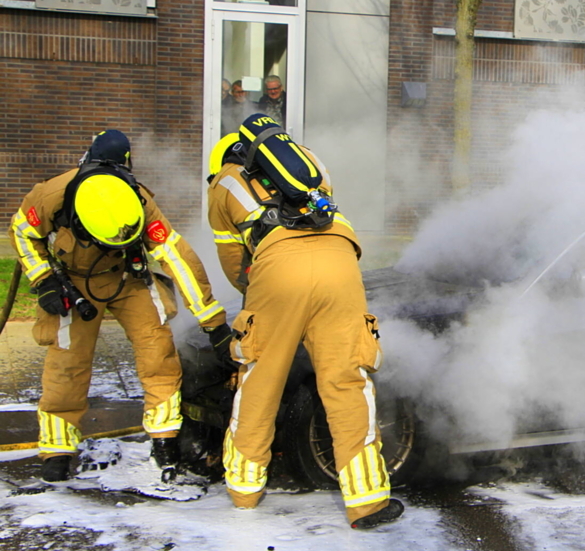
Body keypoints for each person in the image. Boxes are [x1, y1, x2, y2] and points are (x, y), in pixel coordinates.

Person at [206, 114, 403, 529]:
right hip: (341, 260)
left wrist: (256, 304)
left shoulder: (224, 183)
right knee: (348, 379)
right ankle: (367, 499)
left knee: (261, 378)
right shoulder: (309, 162)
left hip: (278, 269)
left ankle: (244, 489)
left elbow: (232, 263)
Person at [8, 130, 233, 483]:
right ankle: (58, 449)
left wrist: (213, 321)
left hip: (127, 276)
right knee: (67, 363)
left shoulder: (139, 200)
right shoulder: (53, 194)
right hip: (74, 279)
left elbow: (175, 256)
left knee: (158, 352)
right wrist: (45, 281)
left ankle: (164, 440)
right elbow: (23, 232)